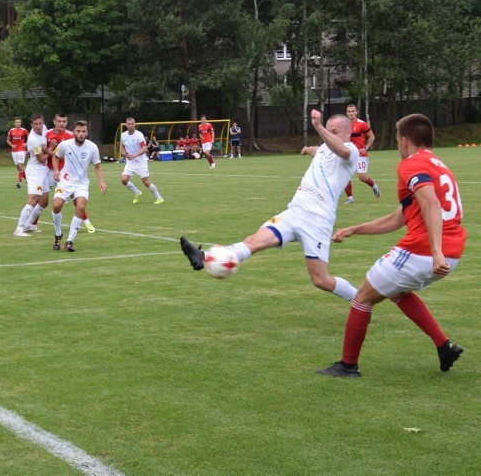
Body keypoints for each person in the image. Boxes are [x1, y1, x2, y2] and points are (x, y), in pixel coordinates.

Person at [318, 114, 466, 377]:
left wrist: (435, 251)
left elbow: (431, 203)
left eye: (398, 140)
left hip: (426, 251)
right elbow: (399, 218)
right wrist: (355, 229)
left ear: (406, 141)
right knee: (395, 290)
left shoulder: (411, 164)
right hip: (452, 252)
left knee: (363, 296)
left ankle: (347, 365)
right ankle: (444, 346)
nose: (398, 145)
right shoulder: (439, 165)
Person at [180, 109, 360, 302]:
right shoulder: (325, 148)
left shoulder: (351, 151)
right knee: (254, 241)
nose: (330, 135)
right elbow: (321, 151)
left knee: (320, 279)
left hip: (317, 220)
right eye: (329, 130)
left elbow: (340, 150)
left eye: (335, 132)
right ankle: (203, 256)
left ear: (348, 133)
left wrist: (318, 126)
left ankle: (360, 299)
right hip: (295, 212)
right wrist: (309, 149)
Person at [51, 120, 107, 252]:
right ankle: (58, 233)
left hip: (81, 183)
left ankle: (70, 241)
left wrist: (102, 182)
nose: (81, 134)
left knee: (80, 207)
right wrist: (56, 170)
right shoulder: (65, 145)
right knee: (56, 206)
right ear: (74, 132)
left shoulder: (92, 147)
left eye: (83, 131)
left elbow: (97, 167)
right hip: (65, 181)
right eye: (78, 131)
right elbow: (55, 156)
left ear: (87, 132)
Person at [45, 112, 95, 233]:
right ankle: (31, 223)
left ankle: (86, 221)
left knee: (76, 197)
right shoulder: (46, 134)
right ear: (54, 122)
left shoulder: (71, 136)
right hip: (47, 170)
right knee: (41, 197)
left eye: (64, 121)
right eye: (59, 121)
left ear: (67, 123)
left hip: (65, 172)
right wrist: (49, 150)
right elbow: (44, 151)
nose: (61, 124)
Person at [13, 113, 50, 236]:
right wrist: (52, 149)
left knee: (44, 200)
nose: (39, 126)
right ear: (31, 125)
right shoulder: (33, 140)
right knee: (33, 199)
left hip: (43, 171)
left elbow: (45, 142)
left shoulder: (44, 129)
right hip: (35, 171)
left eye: (40, 123)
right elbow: (42, 159)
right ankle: (19, 228)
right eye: (35, 124)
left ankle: (29, 224)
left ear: (43, 122)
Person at [120, 117, 164, 205]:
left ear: (135, 125)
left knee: (146, 181)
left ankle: (159, 198)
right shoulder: (123, 135)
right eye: (128, 124)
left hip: (141, 161)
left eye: (132, 124)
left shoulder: (139, 135)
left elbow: (145, 148)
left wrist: (135, 155)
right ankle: (137, 192)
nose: (130, 126)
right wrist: (123, 153)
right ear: (126, 125)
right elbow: (122, 145)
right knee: (124, 180)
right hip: (130, 162)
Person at [343, 103, 380, 204]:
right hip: (349, 154)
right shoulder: (344, 125)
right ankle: (350, 198)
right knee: (345, 176)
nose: (351, 113)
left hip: (361, 154)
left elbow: (372, 136)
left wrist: (366, 147)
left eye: (353, 111)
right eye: (349, 111)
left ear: (356, 112)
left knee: (362, 177)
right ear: (346, 113)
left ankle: (374, 185)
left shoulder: (362, 124)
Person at [6, 117, 28, 188]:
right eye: (16, 122)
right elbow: (8, 140)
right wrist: (12, 145)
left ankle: (19, 182)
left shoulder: (24, 130)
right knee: (19, 168)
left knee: (20, 166)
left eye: (19, 122)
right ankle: (28, 180)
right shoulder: (11, 131)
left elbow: (31, 138)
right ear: (14, 123)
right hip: (14, 151)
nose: (18, 123)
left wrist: (26, 144)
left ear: (20, 123)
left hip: (21, 150)